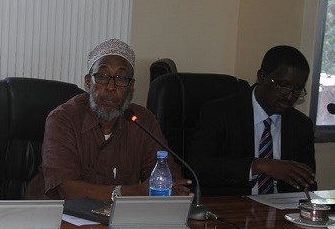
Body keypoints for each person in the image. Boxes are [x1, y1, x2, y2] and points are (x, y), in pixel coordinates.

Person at [40, 38, 192, 202]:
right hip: (59, 214)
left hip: (122, 216)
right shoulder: (63, 119)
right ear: (88, 82)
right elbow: (67, 190)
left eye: (121, 78)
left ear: (131, 86)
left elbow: (167, 176)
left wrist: (172, 188)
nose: (111, 87)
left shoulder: (143, 121)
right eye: (102, 76)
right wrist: (138, 191)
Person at [189, 45, 316, 196]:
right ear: (262, 76)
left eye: (297, 90)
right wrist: (258, 165)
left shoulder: (301, 125)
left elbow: (307, 183)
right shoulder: (220, 112)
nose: (290, 96)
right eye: (283, 86)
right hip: (233, 204)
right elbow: (198, 167)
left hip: (282, 207)